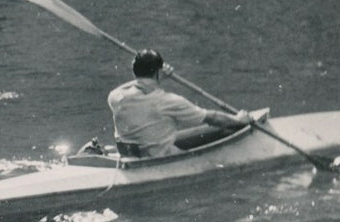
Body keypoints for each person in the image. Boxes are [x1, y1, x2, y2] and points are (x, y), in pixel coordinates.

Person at [107, 49, 251, 157]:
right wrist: (238, 120)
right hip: (160, 158)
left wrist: (155, 75)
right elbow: (212, 118)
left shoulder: (116, 97)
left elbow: (133, 85)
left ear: (135, 73)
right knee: (221, 128)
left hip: (131, 154)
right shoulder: (169, 101)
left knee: (192, 133)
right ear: (158, 73)